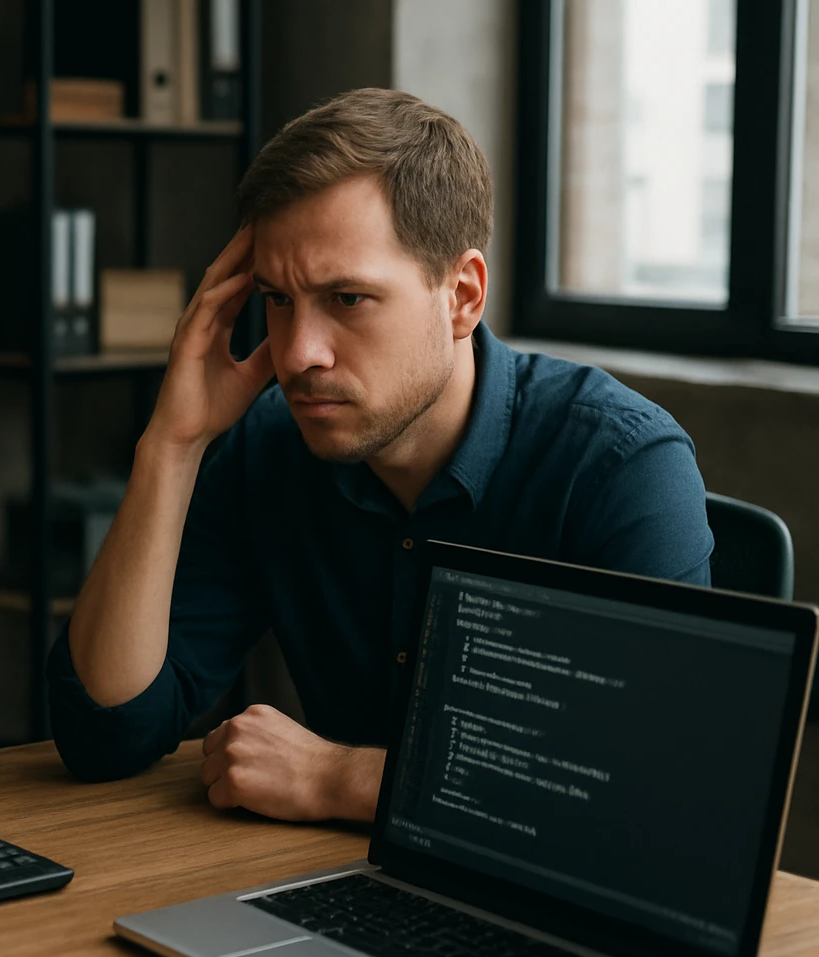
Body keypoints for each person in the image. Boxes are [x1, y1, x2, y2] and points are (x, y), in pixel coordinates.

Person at [47, 88, 712, 823]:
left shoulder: (621, 465)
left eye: (347, 299)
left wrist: (340, 779)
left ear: (462, 296)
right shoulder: (271, 447)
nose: (298, 354)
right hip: (332, 876)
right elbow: (106, 733)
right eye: (278, 299)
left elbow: (658, 787)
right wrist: (173, 445)